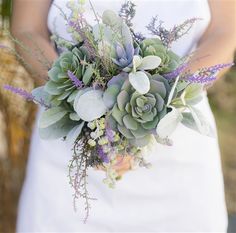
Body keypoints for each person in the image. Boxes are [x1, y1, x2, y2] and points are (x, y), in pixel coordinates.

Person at [11, 0, 236, 232]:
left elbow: (224, 31)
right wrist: (81, 107)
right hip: (66, 168)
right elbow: (27, 28)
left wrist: (159, 108)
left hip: (179, 169)